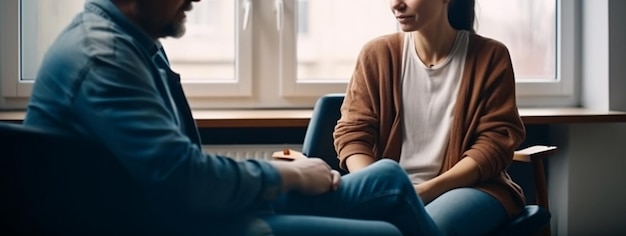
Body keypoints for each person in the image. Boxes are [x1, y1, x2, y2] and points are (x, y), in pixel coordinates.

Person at [22, 0, 443, 235]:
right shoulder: (105, 58)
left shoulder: (132, 44)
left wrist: (282, 173)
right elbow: (185, 181)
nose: (194, 1)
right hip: (167, 223)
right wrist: (290, 177)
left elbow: (179, 168)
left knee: (387, 178)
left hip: (179, 206)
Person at [333, 0, 527, 235]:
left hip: (471, 188)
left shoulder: (491, 56)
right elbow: (353, 134)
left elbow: (494, 144)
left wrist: (423, 192)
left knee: (421, 228)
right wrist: (379, 190)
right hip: (389, 192)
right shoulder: (376, 55)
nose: (396, 4)